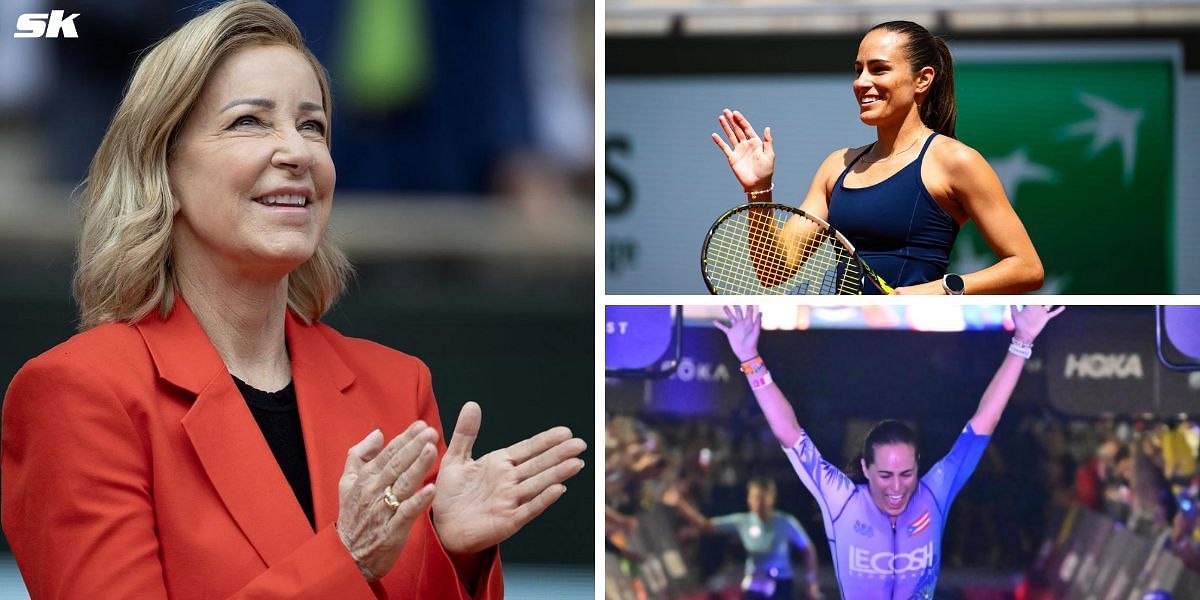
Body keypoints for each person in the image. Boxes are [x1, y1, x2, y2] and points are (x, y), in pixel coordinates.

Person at [0, 2, 586, 598]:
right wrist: (346, 559)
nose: (298, 152)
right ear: (163, 168)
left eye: (312, 126)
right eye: (250, 122)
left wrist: (449, 552)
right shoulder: (80, 394)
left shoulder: (396, 386)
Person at [714, 305, 1063, 598]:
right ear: (865, 469)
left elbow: (985, 421)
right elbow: (789, 433)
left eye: (906, 474)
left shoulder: (935, 491)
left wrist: (1022, 342)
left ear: (918, 466)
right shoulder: (841, 500)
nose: (897, 487)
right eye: (885, 475)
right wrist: (749, 357)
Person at [711, 21, 1043, 295]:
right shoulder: (837, 165)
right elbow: (775, 270)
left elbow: (1026, 268)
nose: (862, 82)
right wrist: (759, 190)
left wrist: (940, 289)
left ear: (922, 79)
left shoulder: (956, 161)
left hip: (920, 340)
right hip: (847, 338)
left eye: (878, 69)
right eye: (858, 71)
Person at [664, 477, 821, 600]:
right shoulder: (743, 521)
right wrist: (680, 503)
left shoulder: (786, 522)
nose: (759, 502)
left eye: (763, 497)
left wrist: (811, 581)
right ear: (749, 499)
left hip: (781, 582)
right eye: (755, 497)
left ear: (771, 499)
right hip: (755, 582)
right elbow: (705, 525)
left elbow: (808, 549)